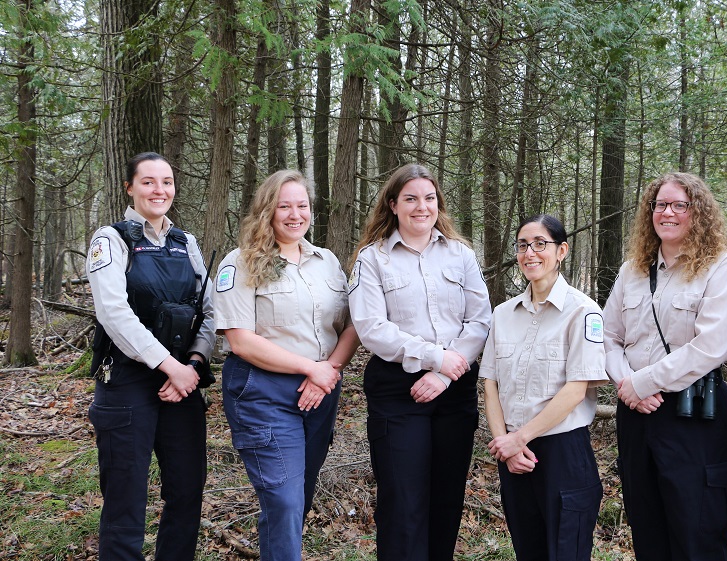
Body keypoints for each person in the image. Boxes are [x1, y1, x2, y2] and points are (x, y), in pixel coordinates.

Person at [213, 170, 360, 561]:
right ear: (267, 210)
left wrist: (328, 370)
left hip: (322, 390)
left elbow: (351, 326)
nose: (295, 215)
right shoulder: (241, 262)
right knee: (284, 500)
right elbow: (240, 339)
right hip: (264, 392)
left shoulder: (326, 262)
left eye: (302, 206)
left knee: (297, 497)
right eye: (284, 206)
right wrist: (309, 369)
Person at [349, 163, 491, 561]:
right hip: (398, 391)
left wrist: (445, 373)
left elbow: (480, 319)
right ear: (393, 205)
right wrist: (434, 358)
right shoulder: (372, 259)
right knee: (403, 501)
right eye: (410, 198)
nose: (421, 207)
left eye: (429, 198)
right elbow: (372, 328)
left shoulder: (460, 254)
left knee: (447, 500)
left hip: (455, 388)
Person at [604, 172, 727, 561]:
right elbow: (608, 337)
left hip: (692, 415)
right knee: (646, 525)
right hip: (635, 413)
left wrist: (646, 382)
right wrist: (627, 385)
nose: (667, 213)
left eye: (678, 205)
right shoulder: (632, 269)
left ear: (697, 212)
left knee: (697, 530)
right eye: (660, 205)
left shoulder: (721, 268)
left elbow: (711, 346)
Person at [86, 152, 215, 561]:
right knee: (126, 497)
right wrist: (168, 366)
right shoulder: (111, 239)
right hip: (126, 382)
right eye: (148, 182)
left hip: (184, 383)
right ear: (130, 187)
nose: (159, 190)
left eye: (167, 182)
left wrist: (193, 364)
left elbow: (210, 312)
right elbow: (113, 313)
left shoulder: (187, 243)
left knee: (187, 491)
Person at [480, 214, 608, 561]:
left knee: (566, 552)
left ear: (561, 250)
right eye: (523, 245)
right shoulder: (502, 314)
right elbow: (490, 385)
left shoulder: (583, 312)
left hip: (562, 453)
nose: (530, 253)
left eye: (540, 244)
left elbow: (575, 389)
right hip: (513, 455)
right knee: (528, 550)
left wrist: (518, 439)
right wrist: (505, 444)